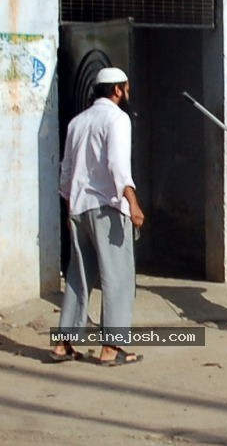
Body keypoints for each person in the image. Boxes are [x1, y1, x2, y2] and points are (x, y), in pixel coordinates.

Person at [51, 67, 145, 366]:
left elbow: (65, 172)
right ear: (117, 90)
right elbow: (118, 166)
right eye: (126, 88)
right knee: (118, 278)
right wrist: (134, 203)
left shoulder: (78, 122)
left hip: (79, 208)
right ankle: (111, 348)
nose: (127, 93)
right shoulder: (117, 119)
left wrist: (69, 210)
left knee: (79, 277)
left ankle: (64, 344)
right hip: (108, 208)